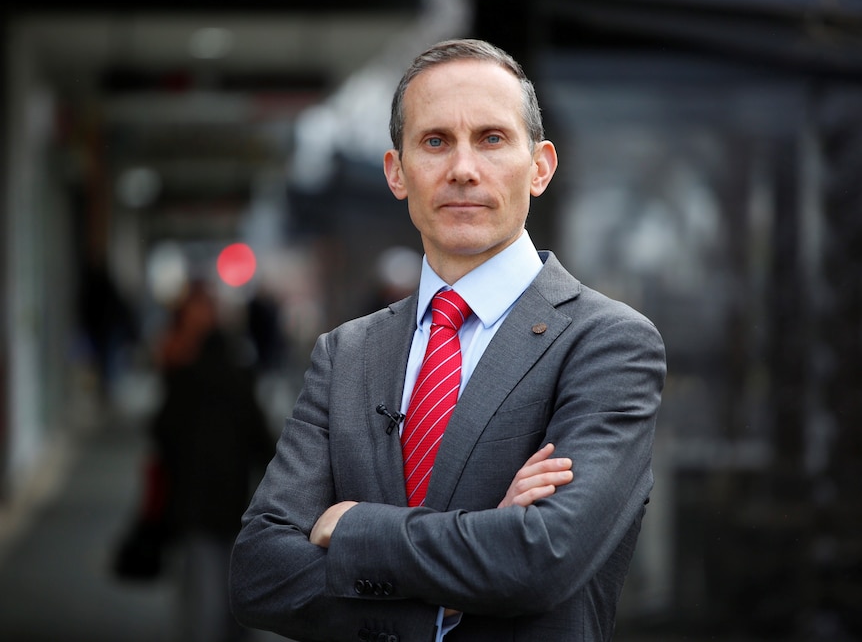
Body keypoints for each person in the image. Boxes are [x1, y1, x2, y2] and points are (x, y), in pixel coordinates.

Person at [229, 38, 666, 642]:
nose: (463, 168)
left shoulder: (608, 345)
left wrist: (354, 528)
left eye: (491, 139)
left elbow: (541, 560)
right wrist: (457, 582)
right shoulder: (345, 354)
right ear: (397, 172)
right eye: (435, 142)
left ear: (539, 167)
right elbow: (258, 573)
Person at [152, 283, 276, 642]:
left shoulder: (182, 373)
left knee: (203, 592)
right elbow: (260, 438)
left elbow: (163, 432)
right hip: (234, 495)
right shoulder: (238, 370)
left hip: (194, 497)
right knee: (230, 584)